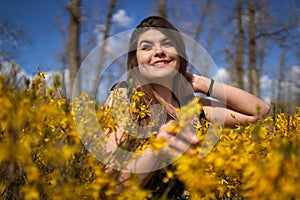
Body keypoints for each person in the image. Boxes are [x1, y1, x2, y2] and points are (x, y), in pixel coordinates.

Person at [103, 16, 270, 198]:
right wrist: (159, 151)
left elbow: (258, 112)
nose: (159, 51)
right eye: (146, 47)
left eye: (167, 43)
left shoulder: (194, 107)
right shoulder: (126, 100)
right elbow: (109, 189)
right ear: (135, 59)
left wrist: (199, 82)